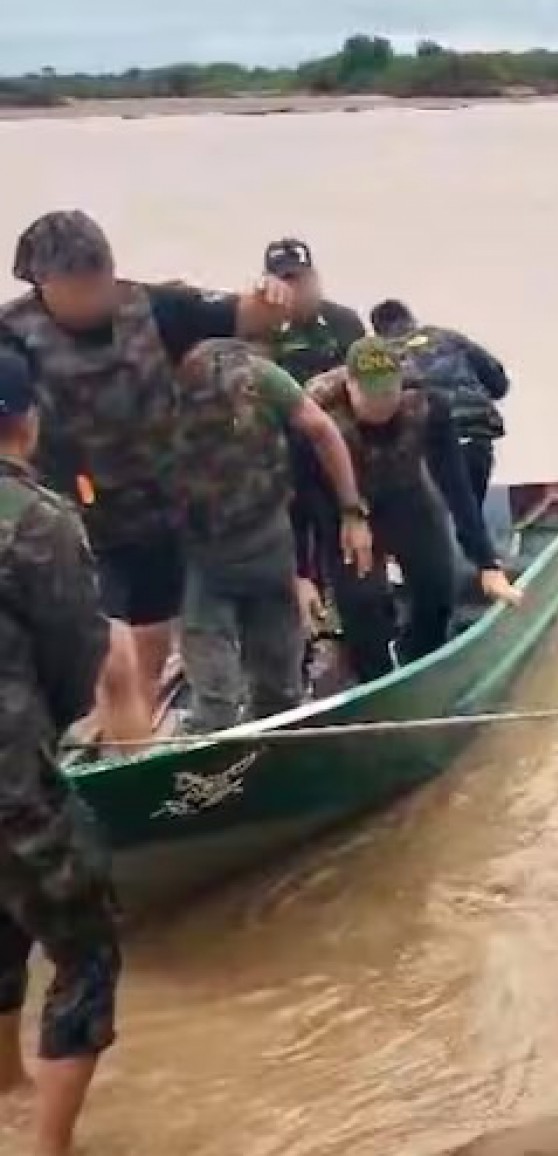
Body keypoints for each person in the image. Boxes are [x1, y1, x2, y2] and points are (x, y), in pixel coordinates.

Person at [1, 210, 297, 745]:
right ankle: (122, 761)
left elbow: (246, 316)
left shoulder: (154, 307)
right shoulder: (12, 337)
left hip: (162, 508)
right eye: (81, 286)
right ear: (44, 284)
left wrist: (271, 298)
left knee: (152, 637)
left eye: (102, 279)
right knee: (108, 654)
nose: (97, 295)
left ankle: (136, 729)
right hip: (77, 523)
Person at [0, 345, 121, 1156]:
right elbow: (79, 654)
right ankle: (45, 1151)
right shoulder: (37, 520)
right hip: (11, 777)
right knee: (88, 951)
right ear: (26, 420)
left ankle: (8, 1085)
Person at [171, 340, 370, 733]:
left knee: (280, 689)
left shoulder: (266, 380)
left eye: (246, 395)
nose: (240, 405)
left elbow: (323, 432)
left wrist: (352, 512)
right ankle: (209, 769)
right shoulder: (164, 406)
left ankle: (278, 757)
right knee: (217, 701)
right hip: (205, 561)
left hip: (269, 546)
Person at [306, 337, 518, 682]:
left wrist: (486, 562)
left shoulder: (427, 403)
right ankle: (374, 679)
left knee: (438, 585)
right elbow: (301, 496)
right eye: (371, 397)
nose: (382, 405)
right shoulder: (317, 413)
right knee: (362, 602)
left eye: (389, 394)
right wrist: (307, 573)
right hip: (338, 508)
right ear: (349, 385)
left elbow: (455, 484)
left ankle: (421, 661)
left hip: (406, 495)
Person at [368, 299, 509, 511]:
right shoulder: (448, 337)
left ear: (377, 331)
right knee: (470, 515)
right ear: (411, 319)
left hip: (428, 447)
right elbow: (499, 384)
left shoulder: (381, 356)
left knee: (443, 520)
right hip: (476, 436)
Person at [259, 238, 367, 385]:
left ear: (314, 278)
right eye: (286, 280)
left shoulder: (345, 321)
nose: (296, 288)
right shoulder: (261, 329)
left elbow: (364, 377)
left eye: (301, 278)